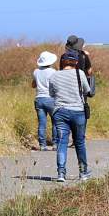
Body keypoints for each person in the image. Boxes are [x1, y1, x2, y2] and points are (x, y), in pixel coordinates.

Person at [49, 50, 92, 182]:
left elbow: (51, 93)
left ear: (62, 62)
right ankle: (83, 172)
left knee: (62, 142)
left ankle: (61, 174)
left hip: (60, 112)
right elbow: (87, 90)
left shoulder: (54, 76)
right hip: (78, 111)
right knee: (79, 142)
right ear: (76, 62)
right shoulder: (80, 74)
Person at [32, 51, 57, 150]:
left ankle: (42, 145)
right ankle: (55, 144)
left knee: (42, 123)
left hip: (39, 99)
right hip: (50, 98)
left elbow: (33, 85)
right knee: (55, 121)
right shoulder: (53, 72)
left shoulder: (36, 72)